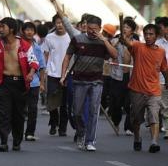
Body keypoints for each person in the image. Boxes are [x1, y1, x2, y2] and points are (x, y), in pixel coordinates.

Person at [61, 15, 118, 152]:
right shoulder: (77, 39)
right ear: (85, 27)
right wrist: (63, 75)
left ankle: (90, 140)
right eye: (89, 28)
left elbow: (115, 55)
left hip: (96, 81)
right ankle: (81, 133)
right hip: (79, 80)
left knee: (93, 111)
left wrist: (104, 40)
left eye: (95, 29)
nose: (92, 31)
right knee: (77, 112)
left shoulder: (104, 42)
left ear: (100, 28)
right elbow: (68, 56)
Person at [118, 20, 168, 153]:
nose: (147, 36)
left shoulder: (161, 52)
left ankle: (154, 142)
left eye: (151, 34)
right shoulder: (138, 47)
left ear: (156, 36)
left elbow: (164, 69)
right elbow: (127, 43)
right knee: (136, 119)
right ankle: (137, 137)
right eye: (146, 34)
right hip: (137, 90)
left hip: (154, 90)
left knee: (154, 115)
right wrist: (124, 38)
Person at [0, 17, 38, 152]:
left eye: (2, 27)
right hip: (3, 83)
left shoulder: (24, 45)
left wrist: (31, 73)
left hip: (20, 84)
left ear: (11, 29)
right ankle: (4, 141)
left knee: (18, 114)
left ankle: (17, 141)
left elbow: (34, 62)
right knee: (3, 113)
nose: (0, 29)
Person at [42, 14, 72, 137]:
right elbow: (46, 54)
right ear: (54, 24)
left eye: (62, 22)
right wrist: (44, 72)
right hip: (53, 73)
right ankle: (54, 122)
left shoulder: (71, 37)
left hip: (67, 73)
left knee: (64, 103)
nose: (60, 25)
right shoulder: (49, 37)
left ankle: (63, 128)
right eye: (57, 22)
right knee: (52, 101)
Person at [21, 21, 46, 141]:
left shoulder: (37, 48)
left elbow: (41, 66)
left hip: (34, 82)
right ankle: (18, 130)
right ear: (23, 31)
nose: (29, 32)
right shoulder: (18, 45)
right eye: (27, 29)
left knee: (32, 108)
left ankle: (30, 132)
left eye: (31, 30)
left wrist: (42, 83)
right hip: (20, 81)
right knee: (19, 108)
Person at [108, 20, 133, 135]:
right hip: (117, 76)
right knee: (116, 103)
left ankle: (129, 127)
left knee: (129, 103)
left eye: (128, 27)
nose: (125, 29)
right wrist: (119, 40)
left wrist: (126, 42)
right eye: (124, 27)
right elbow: (109, 50)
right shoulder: (114, 41)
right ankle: (116, 121)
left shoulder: (135, 43)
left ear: (132, 31)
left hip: (131, 76)